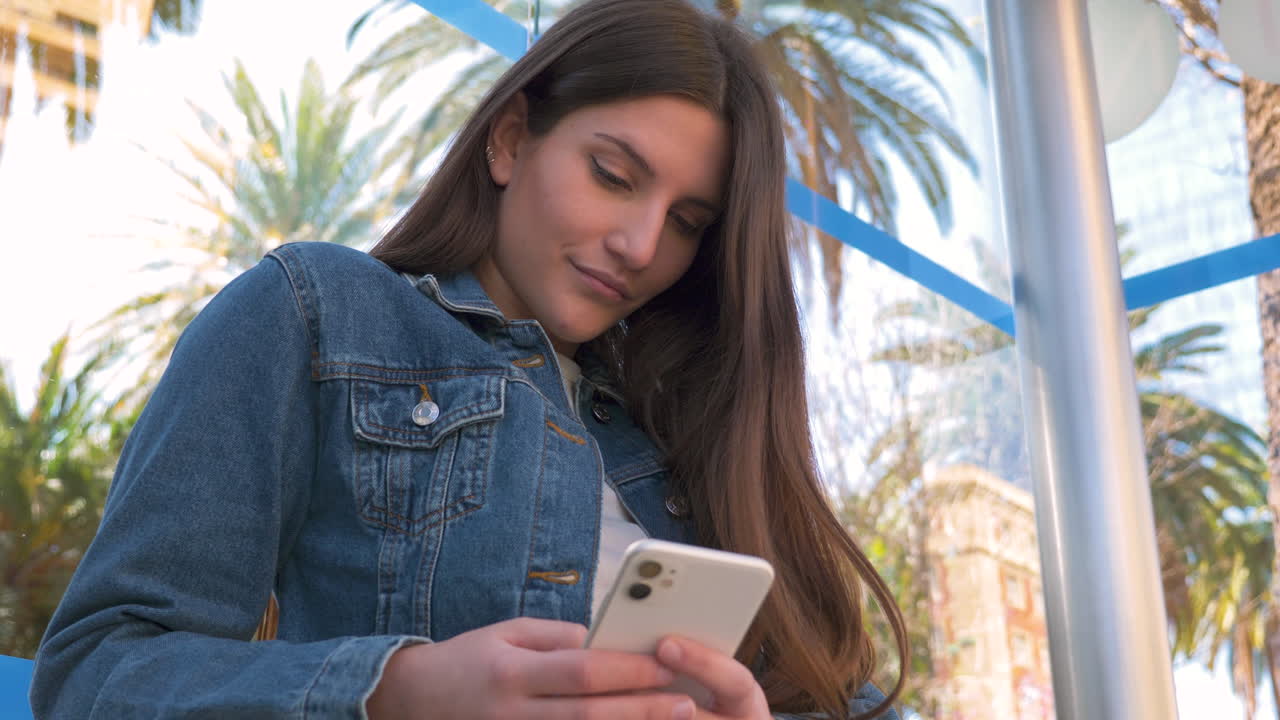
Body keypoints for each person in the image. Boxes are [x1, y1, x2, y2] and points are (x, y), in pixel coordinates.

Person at [31, 0, 907, 717]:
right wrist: (397, 689)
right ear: (512, 139)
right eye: (612, 174)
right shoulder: (316, 312)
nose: (641, 244)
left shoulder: (691, 439)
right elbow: (95, 674)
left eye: (686, 224)